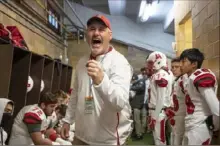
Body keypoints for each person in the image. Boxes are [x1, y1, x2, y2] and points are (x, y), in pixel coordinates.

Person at [61, 14, 133, 145]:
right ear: (87, 34)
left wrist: (102, 80)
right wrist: (67, 120)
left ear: (110, 35)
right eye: (92, 29)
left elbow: (120, 102)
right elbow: (75, 94)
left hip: (106, 140)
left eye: (101, 29)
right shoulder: (82, 61)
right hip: (80, 136)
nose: (96, 33)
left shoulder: (119, 62)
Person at [179, 48, 219, 145]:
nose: (181, 65)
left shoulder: (199, 76)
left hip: (200, 126)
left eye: (184, 62)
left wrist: (215, 126)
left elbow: (216, 109)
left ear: (194, 64)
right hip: (191, 124)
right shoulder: (188, 78)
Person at [146, 51, 174, 145]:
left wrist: (154, 117)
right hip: (157, 110)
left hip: (158, 111)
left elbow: (160, 99)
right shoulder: (162, 74)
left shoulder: (160, 75)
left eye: (150, 62)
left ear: (158, 61)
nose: (149, 65)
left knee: (160, 139)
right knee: (158, 138)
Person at [170, 57, 186, 145]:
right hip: (175, 114)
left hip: (183, 115)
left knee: (179, 140)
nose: (173, 69)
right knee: (174, 136)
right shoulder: (176, 80)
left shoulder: (185, 80)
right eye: (172, 67)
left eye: (176, 67)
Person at [129, 68, 146, 140]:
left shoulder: (140, 83)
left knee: (137, 120)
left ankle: (139, 135)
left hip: (137, 105)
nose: (133, 81)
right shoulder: (136, 84)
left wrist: (130, 86)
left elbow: (140, 88)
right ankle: (136, 133)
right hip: (135, 105)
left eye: (133, 80)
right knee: (135, 120)